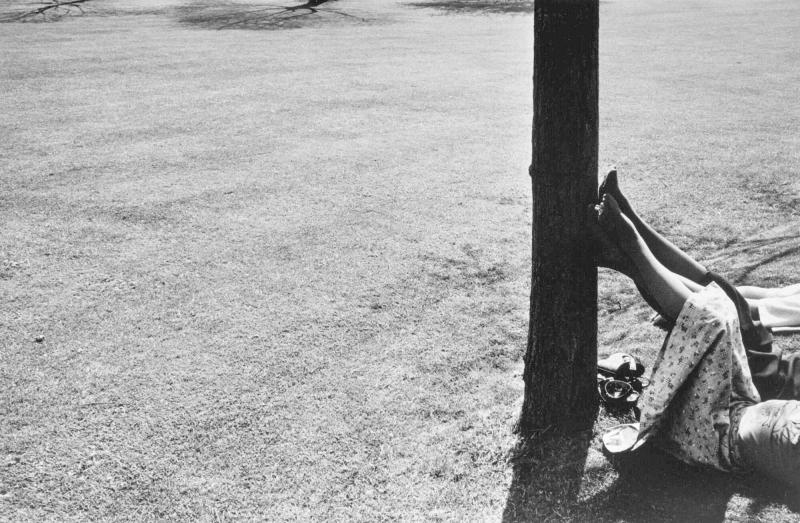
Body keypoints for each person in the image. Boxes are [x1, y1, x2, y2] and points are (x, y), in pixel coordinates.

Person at [589, 172, 800, 492]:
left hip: (768, 381)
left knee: (716, 308)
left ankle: (627, 247)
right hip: (766, 379)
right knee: (721, 300)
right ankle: (627, 244)